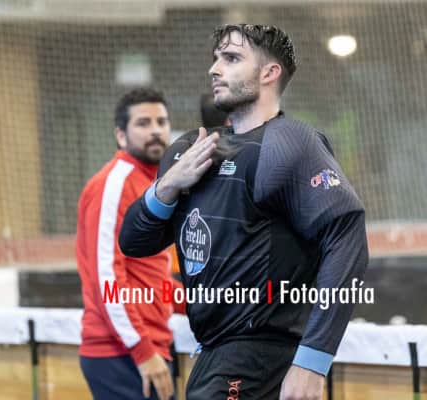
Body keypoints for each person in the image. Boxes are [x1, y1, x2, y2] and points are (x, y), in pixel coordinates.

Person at [119, 25, 368, 400]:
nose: (214, 69)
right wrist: (167, 186)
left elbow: (347, 238)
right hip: (212, 356)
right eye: (216, 58)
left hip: (260, 359)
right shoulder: (191, 149)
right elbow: (134, 242)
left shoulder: (289, 143)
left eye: (232, 59)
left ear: (269, 73)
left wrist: (312, 362)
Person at [76, 87, 184, 400]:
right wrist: (142, 351)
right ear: (121, 136)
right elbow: (107, 278)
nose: (155, 130)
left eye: (161, 122)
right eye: (143, 123)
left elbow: (151, 279)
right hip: (120, 353)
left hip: (149, 346)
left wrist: (205, 301)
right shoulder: (115, 184)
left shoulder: (154, 185)